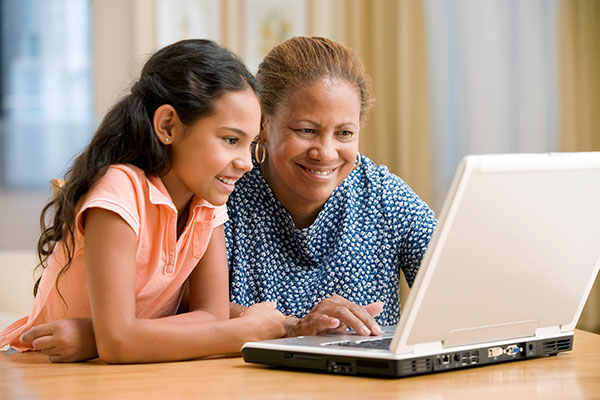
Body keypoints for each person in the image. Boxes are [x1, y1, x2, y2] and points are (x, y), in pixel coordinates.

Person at [0, 39, 284, 363]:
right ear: (168, 126)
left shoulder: (208, 202)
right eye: (231, 140)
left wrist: (97, 336)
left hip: (126, 369)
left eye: (250, 144)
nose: (246, 162)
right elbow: (121, 342)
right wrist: (245, 331)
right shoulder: (119, 194)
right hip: (45, 367)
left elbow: (211, 317)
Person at [225, 36, 437, 337]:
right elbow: (191, 309)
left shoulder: (385, 197)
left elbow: (452, 289)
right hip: (247, 382)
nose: (325, 153)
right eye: (306, 130)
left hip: (371, 383)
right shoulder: (225, 193)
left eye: (345, 133)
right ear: (263, 124)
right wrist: (293, 327)